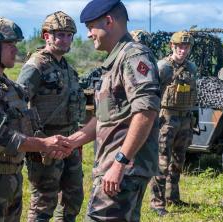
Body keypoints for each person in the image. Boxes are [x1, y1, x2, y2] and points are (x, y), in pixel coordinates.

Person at [0, 16, 72, 222]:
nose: (15, 50)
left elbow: (27, 125)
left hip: (11, 181)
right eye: (10, 45)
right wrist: (44, 144)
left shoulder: (9, 87)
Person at [66, 0, 161, 221]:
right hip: (118, 168)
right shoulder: (116, 60)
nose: (89, 35)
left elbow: (146, 111)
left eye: (90, 27)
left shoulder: (133, 56)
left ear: (108, 21)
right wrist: (73, 142)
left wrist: (120, 162)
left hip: (123, 169)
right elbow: (106, 117)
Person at [17, 11, 86, 222]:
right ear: (46, 36)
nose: (64, 39)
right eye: (59, 35)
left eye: (68, 35)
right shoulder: (36, 65)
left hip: (69, 140)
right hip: (46, 141)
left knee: (73, 196)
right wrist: (35, 142)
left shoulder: (67, 67)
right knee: (44, 202)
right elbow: (18, 104)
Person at [149, 31, 198, 216]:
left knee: (178, 161)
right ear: (172, 46)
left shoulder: (191, 68)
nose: (183, 50)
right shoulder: (162, 67)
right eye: (179, 46)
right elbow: (151, 94)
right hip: (166, 120)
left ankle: (173, 197)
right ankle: (157, 203)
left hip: (185, 119)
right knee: (162, 162)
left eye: (186, 47)